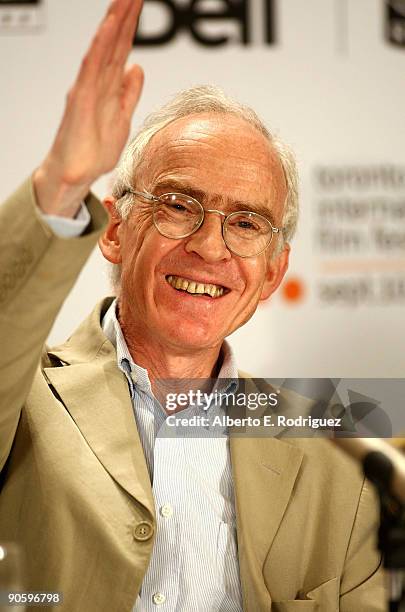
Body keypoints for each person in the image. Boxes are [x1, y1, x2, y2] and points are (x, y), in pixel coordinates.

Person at [0, 0, 385, 610]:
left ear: (273, 273)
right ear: (116, 229)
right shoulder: (19, 397)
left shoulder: (339, 456)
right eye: (179, 205)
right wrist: (62, 184)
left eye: (247, 222)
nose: (210, 246)